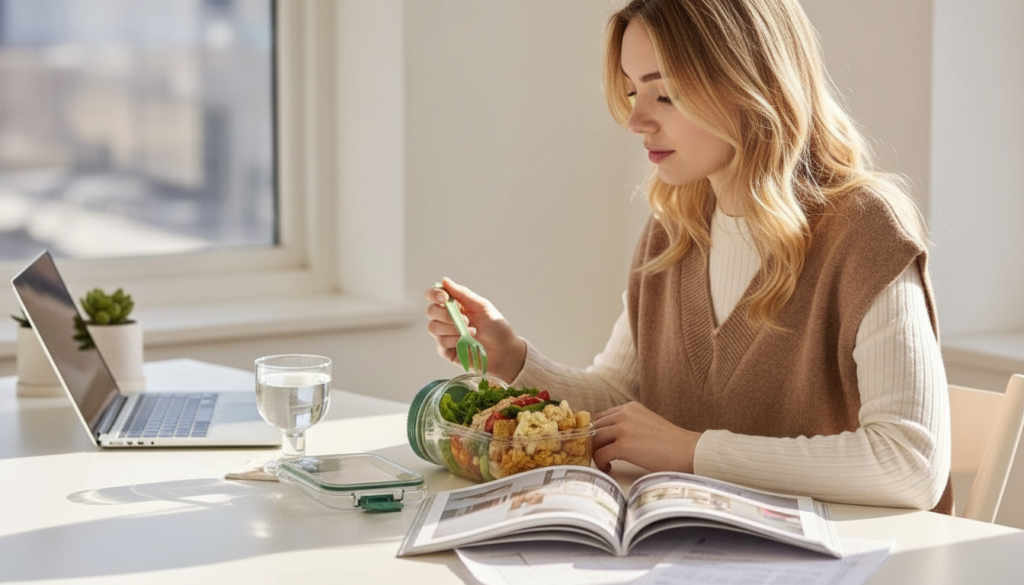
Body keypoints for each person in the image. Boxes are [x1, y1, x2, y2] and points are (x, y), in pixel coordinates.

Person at [424, 0, 952, 513]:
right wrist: (514, 358)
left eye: (665, 95)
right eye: (632, 91)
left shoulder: (865, 228)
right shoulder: (674, 231)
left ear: (751, 85)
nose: (635, 121)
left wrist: (691, 451)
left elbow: (910, 463)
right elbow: (619, 399)